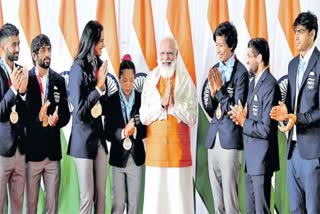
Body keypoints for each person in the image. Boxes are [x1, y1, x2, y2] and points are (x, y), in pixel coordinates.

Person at [139, 37, 197, 214]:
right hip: (156, 156)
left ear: (176, 55)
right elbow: (143, 117)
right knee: (155, 206)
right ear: (158, 56)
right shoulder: (150, 81)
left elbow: (193, 117)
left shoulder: (186, 82)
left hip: (179, 157)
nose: (166, 58)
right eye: (162, 53)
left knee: (179, 206)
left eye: (170, 53)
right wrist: (161, 104)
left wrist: (174, 106)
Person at [270, 11, 320, 213]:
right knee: (295, 210)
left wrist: (298, 119)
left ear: (312, 34)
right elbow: (289, 108)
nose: (296, 37)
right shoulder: (292, 65)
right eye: (295, 32)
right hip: (292, 150)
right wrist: (284, 119)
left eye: (301, 32)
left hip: (313, 151)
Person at [228, 38, 280, 214]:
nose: (247, 60)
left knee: (261, 210)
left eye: (250, 56)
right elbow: (247, 115)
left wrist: (244, 122)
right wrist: (240, 117)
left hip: (262, 161)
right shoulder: (253, 82)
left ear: (259, 58)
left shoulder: (271, 86)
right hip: (250, 161)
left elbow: (266, 129)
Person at [204, 21, 248, 214]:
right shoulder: (214, 69)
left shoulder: (241, 73)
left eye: (221, 45)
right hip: (214, 141)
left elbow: (236, 111)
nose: (218, 49)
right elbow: (209, 106)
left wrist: (220, 91)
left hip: (231, 141)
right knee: (218, 204)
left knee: (231, 204)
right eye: (216, 45)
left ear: (231, 45)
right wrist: (213, 95)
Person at [24, 34, 70, 214]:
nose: (47, 53)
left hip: (53, 155)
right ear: (34, 55)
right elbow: (23, 118)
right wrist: (40, 119)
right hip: (32, 154)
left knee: (52, 208)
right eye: (43, 50)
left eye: (49, 49)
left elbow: (65, 114)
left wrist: (57, 120)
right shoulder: (26, 80)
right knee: (31, 208)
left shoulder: (59, 80)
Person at [67, 20, 108, 214]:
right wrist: (98, 89)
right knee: (87, 198)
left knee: (101, 197)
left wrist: (104, 92)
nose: (103, 45)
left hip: (99, 139)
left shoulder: (100, 66)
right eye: (100, 41)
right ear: (91, 42)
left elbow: (102, 105)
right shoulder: (77, 69)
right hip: (82, 142)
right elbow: (80, 111)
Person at [105, 54, 146, 214]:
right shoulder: (112, 100)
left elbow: (146, 129)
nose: (128, 84)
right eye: (124, 80)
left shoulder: (142, 100)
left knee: (134, 205)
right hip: (117, 159)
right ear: (119, 79)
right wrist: (123, 132)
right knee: (118, 204)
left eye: (131, 80)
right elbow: (108, 132)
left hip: (136, 159)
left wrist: (134, 131)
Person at [0, 23, 28, 214]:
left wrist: (24, 93)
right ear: (2, 47)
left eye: (19, 44)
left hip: (20, 149)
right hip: (1, 151)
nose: (18, 49)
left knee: (17, 206)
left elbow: (26, 114)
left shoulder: (21, 71)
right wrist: (14, 90)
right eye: (13, 45)